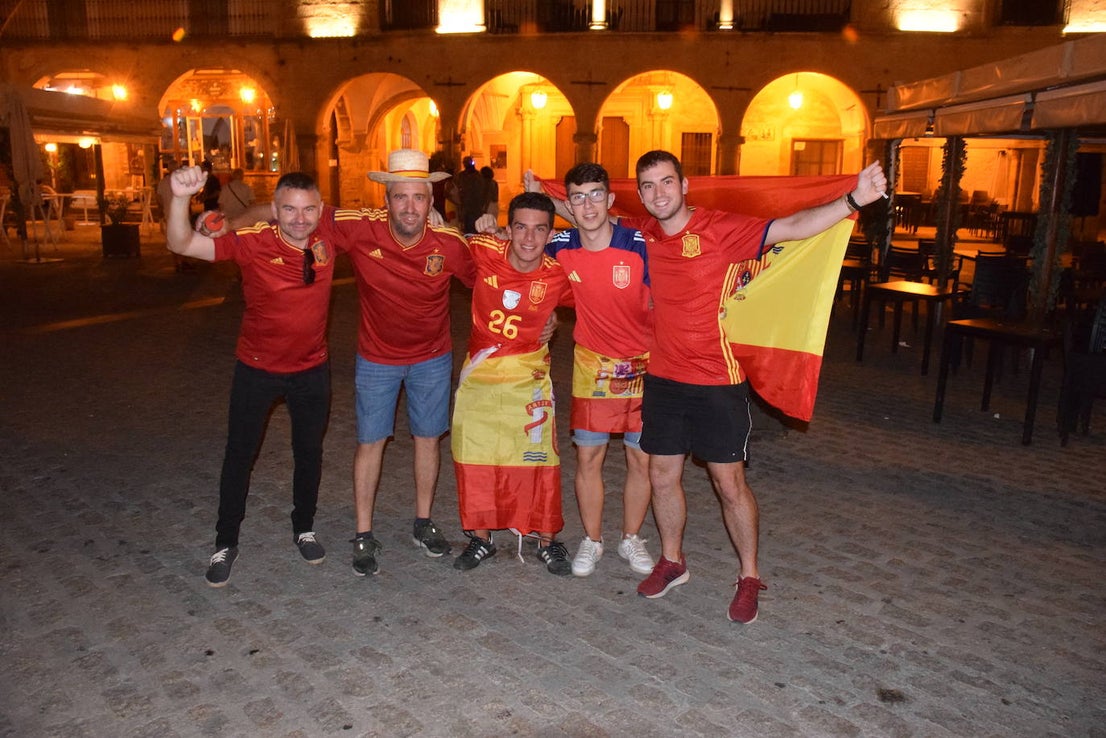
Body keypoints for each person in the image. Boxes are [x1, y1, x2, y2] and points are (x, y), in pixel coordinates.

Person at [622, 150, 887, 623]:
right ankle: (672, 561)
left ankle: (748, 575)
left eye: (666, 182)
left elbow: (793, 225)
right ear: (640, 194)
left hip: (717, 381)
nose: (658, 193)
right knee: (662, 476)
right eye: (648, 186)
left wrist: (853, 199)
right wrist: (544, 194)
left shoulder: (721, 228)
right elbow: (585, 213)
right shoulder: (643, 234)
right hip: (663, 379)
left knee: (729, 483)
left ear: (684, 186)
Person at [165, 167, 335, 588]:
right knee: (239, 455)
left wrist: (436, 216)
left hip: (312, 369)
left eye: (309, 209)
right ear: (275, 211)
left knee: (309, 452)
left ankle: (304, 527)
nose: (300, 218)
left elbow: (392, 218)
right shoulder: (253, 244)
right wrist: (179, 198)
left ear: (320, 210)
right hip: (256, 369)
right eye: (290, 209)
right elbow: (181, 242)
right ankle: (226, 541)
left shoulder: (331, 234)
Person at [313, 149, 475, 577]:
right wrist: (224, 218)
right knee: (370, 441)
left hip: (433, 359)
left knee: (428, 438)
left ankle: (423, 522)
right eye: (400, 197)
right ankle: (363, 531)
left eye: (418, 198)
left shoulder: (448, 244)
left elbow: (492, 279)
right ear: (386, 198)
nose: (409, 207)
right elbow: (301, 211)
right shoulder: (361, 228)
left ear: (430, 201)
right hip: (377, 358)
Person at [451, 192, 574, 575]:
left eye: (540, 230)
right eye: (520, 226)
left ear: (550, 234)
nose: (528, 238)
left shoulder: (557, 274)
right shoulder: (484, 248)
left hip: (529, 379)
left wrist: (555, 321)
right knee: (475, 457)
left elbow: (599, 300)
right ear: (508, 227)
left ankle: (546, 539)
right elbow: (442, 241)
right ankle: (481, 538)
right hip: (481, 379)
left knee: (539, 460)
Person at [544, 163, 655, 578]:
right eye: (578, 197)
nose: (587, 205)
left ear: (609, 200)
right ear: (568, 205)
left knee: (640, 460)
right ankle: (592, 539)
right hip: (592, 367)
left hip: (644, 368)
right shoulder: (560, 244)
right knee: (589, 458)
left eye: (595, 195)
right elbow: (516, 249)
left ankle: (631, 537)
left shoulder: (640, 243)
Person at [450, 156, 486, 234]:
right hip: (465, 207)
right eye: (465, 163)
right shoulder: (461, 176)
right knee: (466, 229)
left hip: (475, 207)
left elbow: (482, 192)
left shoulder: (478, 176)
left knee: (476, 228)